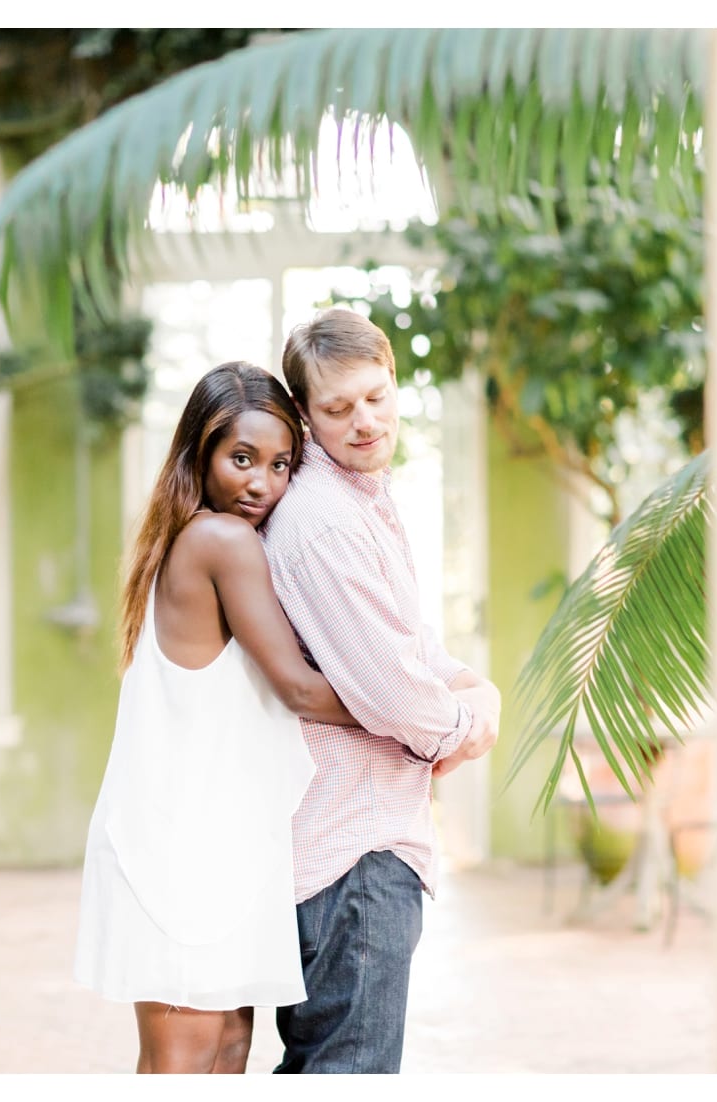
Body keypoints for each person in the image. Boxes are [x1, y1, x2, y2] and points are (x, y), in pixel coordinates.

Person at [72, 361, 360, 1074]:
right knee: (188, 1063)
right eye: (241, 459)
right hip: (181, 853)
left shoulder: (196, 540)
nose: (261, 482)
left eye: (280, 463)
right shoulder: (219, 542)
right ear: (198, 454)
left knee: (228, 1053)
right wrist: (417, 716)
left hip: (222, 849)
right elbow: (297, 688)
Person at [261, 308, 502, 1074]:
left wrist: (468, 684)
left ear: (393, 383)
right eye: (337, 409)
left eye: (375, 397)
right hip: (352, 859)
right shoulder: (324, 522)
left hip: (355, 854)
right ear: (304, 415)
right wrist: (465, 725)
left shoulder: (361, 498)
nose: (364, 421)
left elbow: (407, 645)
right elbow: (396, 693)